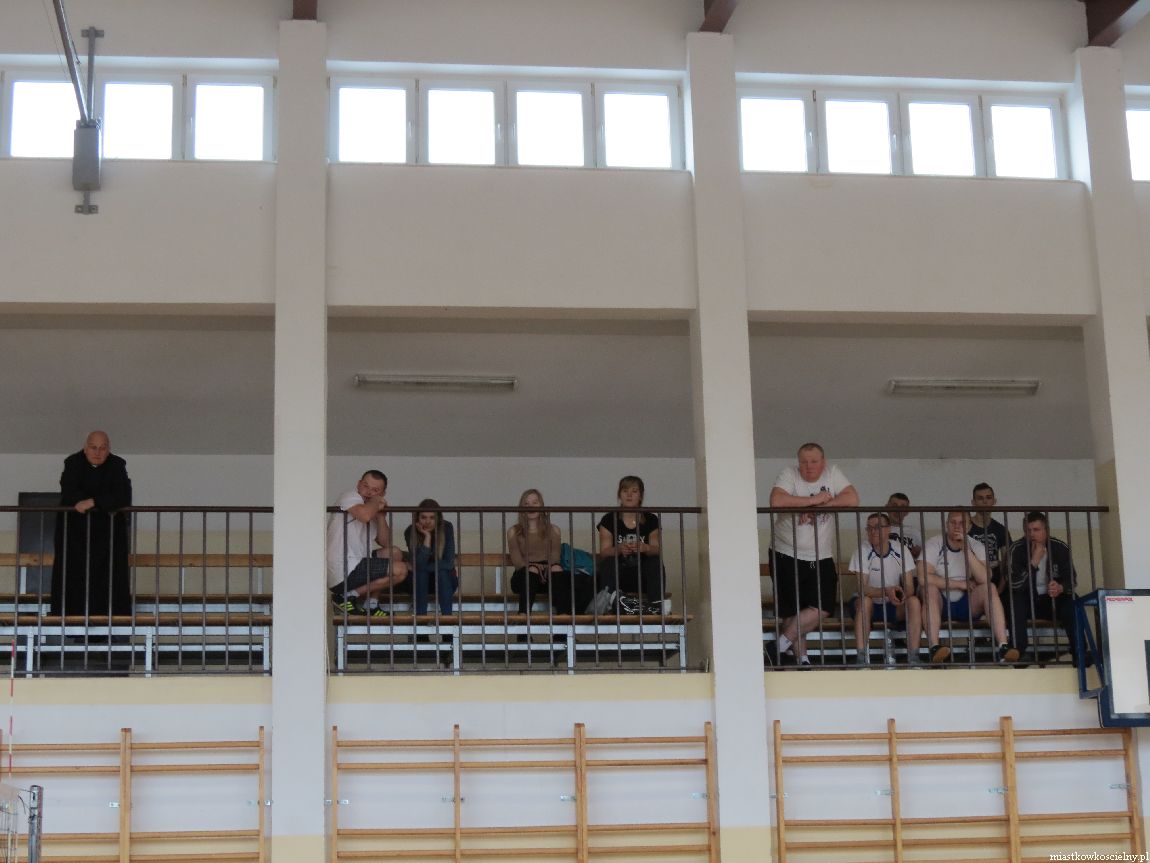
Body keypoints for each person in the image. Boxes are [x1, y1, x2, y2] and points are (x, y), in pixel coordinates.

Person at [767, 443, 859, 666]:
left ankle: (778, 646)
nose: (808, 466)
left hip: (821, 555)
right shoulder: (789, 474)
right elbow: (777, 500)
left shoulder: (833, 473)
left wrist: (820, 509)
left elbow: (852, 498)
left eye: (814, 461)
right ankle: (803, 660)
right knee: (792, 610)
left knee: (823, 606)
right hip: (785, 553)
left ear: (823, 462)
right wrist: (812, 501)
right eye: (804, 462)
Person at [50, 431, 133, 617]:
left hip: (108, 537)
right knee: (74, 576)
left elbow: (123, 495)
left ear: (108, 449)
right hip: (75, 536)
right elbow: (69, 491)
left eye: (102, 448)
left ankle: (110, 621)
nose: (97, 452)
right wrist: (99, 502)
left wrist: (93, 502)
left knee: (109, 578)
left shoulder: (117, 465)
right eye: (93, 447)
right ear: (85, 448)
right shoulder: (73, 463)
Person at [921, 510, 1020, 664]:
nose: (957, 526)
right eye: (953, 522)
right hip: (940, 602)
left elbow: (985, 578)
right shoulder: (934, 543)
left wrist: (966, 550)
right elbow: (923, 577)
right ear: (946, 525)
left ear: (969, 526)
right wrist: (959, 584)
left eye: (962, 523)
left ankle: (1003, 646)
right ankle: (934, 647)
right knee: (929, 588)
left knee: (990, 588)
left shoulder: (976, 545)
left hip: (966, 602)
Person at [326, 470, 408, 615]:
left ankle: (371, 603)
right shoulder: (350, 496)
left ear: (383, 493)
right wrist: (376, 500)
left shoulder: (371, 509)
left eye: (375, 490)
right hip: (343, 569)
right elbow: (364, 515)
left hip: (358, 564)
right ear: (358, 484)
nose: (369, 492)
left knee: (394, 553)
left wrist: (381, 517)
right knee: (401, 570)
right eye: (365, 486)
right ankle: (345, 597)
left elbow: (385, 542)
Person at [848, 512, 923, 665]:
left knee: (914, 602)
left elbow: (909, 586)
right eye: (869, 528)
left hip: (893, 604)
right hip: (868, 606)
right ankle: (862, 658)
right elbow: (862, 589)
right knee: (865, 601)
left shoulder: (900, 549)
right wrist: (887, 591)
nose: (872, 531)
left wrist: (900, 595)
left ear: (888, 529)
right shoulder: (862, 550)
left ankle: (914, 657)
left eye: (877, 527)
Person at [1004, 512, 1077, 661]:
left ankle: (1079, 652)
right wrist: (1034, 562)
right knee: (1014, 600)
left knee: (1073, 601)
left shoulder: (1059, 547)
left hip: (1051, 601)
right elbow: (1015, 585)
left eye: (1036, 530)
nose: (1032, 534)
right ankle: (1019, 652)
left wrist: (1060, 587)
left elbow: (1072, 579)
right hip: (1026, 601)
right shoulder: (1016, 549)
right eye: (1028, 530)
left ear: (1046, 530)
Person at [508, 489, 586, 615]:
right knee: (532, 570)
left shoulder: (554, 530)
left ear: (541, 506)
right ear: (521, 508)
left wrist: (543, 569)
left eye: (535, 503)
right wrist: (533, 567)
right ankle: (523, 616)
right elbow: (517, 563)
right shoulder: (514, 531)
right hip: (523, 577)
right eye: (526, 504)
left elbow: (555, 559)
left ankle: (563, 618)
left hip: (547, 576)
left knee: (556, 568)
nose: (531, 507)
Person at [597, 476, 664, 615]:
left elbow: (657, 549)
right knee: (609, 562)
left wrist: (644, 548)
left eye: (634, 491)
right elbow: (603, 552)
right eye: (625, 491)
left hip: (642, 575)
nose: (629, 495)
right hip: (619, 574)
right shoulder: (609, 519)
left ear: (641, 496)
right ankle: (612, 602)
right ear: (619, 495)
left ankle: (656, 605)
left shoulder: (651, 519)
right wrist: (619, 549)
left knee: (655, 562)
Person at [403, 499, 457, 616]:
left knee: (442, 572)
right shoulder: (410, 531)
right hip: (419, 584)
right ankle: (421, 621)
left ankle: (447, 621)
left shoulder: (447, 528)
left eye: (432, 517)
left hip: (445, 582)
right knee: (421, 574)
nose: (427, 521)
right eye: (423, 517)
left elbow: (448, 563)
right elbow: (419, 563)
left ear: (438, 518)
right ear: (417, 518)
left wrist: (419, 567)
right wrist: (427, 537)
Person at [968, 483, 1011, 595]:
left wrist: (999, 591)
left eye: (988, 497)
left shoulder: (1001, 529)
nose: (985, 502)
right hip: (970, 580)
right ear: (973, 503)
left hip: (995, 581)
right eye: (980, 498)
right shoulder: (965, 528)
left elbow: (1007, 563)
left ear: (994, 501)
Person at [885, 493, 922, 560]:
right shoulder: (877, 530)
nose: (898, 511)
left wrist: (919, 553)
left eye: (902, 507)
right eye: (894, 506)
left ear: (907, 511)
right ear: (887, 508)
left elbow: (925, 555)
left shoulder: (915, 532)